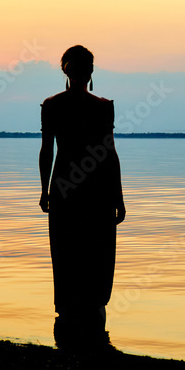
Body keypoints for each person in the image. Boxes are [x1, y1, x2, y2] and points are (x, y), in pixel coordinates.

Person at [39, 45, 125, 349]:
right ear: (89, 72)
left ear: (66, 71)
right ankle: (93, 327)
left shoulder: (53, 105)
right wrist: (118, 196)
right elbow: (109, 153)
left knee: (67, 252)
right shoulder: (102, 107)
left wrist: (44, 189)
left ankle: (69, 326)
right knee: (95, 253)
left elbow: (47, 151)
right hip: (96, 189)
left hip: (65, 187)